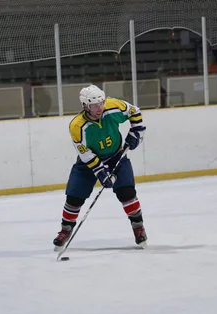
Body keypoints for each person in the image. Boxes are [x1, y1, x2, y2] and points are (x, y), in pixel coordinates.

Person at [53, 84, 147, 250]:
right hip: (89, 162)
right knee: (74, 197)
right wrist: (100, 172)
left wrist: (137, 131)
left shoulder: (112, 106)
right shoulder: (77, 126)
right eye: (95, 105)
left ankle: (138, 227)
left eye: (101, 103)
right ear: (85, 106)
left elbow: (135, 111)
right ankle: (66, 230)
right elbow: (86, 153)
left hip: (117, 155)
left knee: (127, 193)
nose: (100, 108)